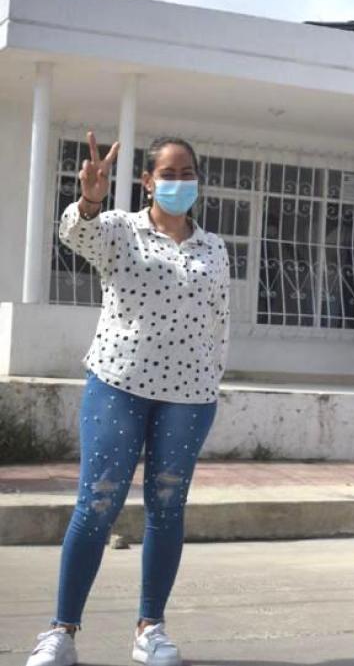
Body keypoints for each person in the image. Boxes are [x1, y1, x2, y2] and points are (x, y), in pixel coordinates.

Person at [25, 134, 230, 666]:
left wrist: (211, 381)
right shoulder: (120, 229)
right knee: (97, 505)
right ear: (147, 180)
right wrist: (90, 199)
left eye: (188, 172)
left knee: (167, 508)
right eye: (169, 172)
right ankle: (61, 632)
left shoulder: (214, 247)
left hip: (188, 398)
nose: (179, 182)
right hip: (119, 385)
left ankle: (150, 629)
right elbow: (77, 235)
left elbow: (220, 321)